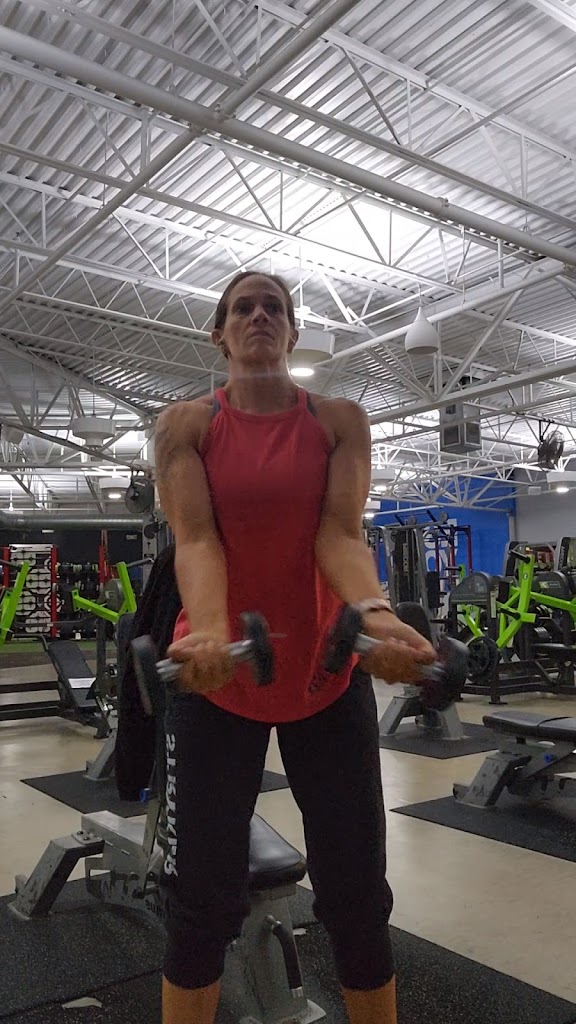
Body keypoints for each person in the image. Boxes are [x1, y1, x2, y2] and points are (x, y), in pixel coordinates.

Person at [155, 270, 436, 1024]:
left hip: (326, 674)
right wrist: (209, 631)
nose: (259, 316)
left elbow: (339, 534)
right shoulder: (186, 424)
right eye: (243, 307)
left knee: (357, 893)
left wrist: (376, 615)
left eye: (273, 307)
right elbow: (197, 538)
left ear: (293, 330)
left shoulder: (339, 420)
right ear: (220, 333)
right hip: (216, 681)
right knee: (199, 901)